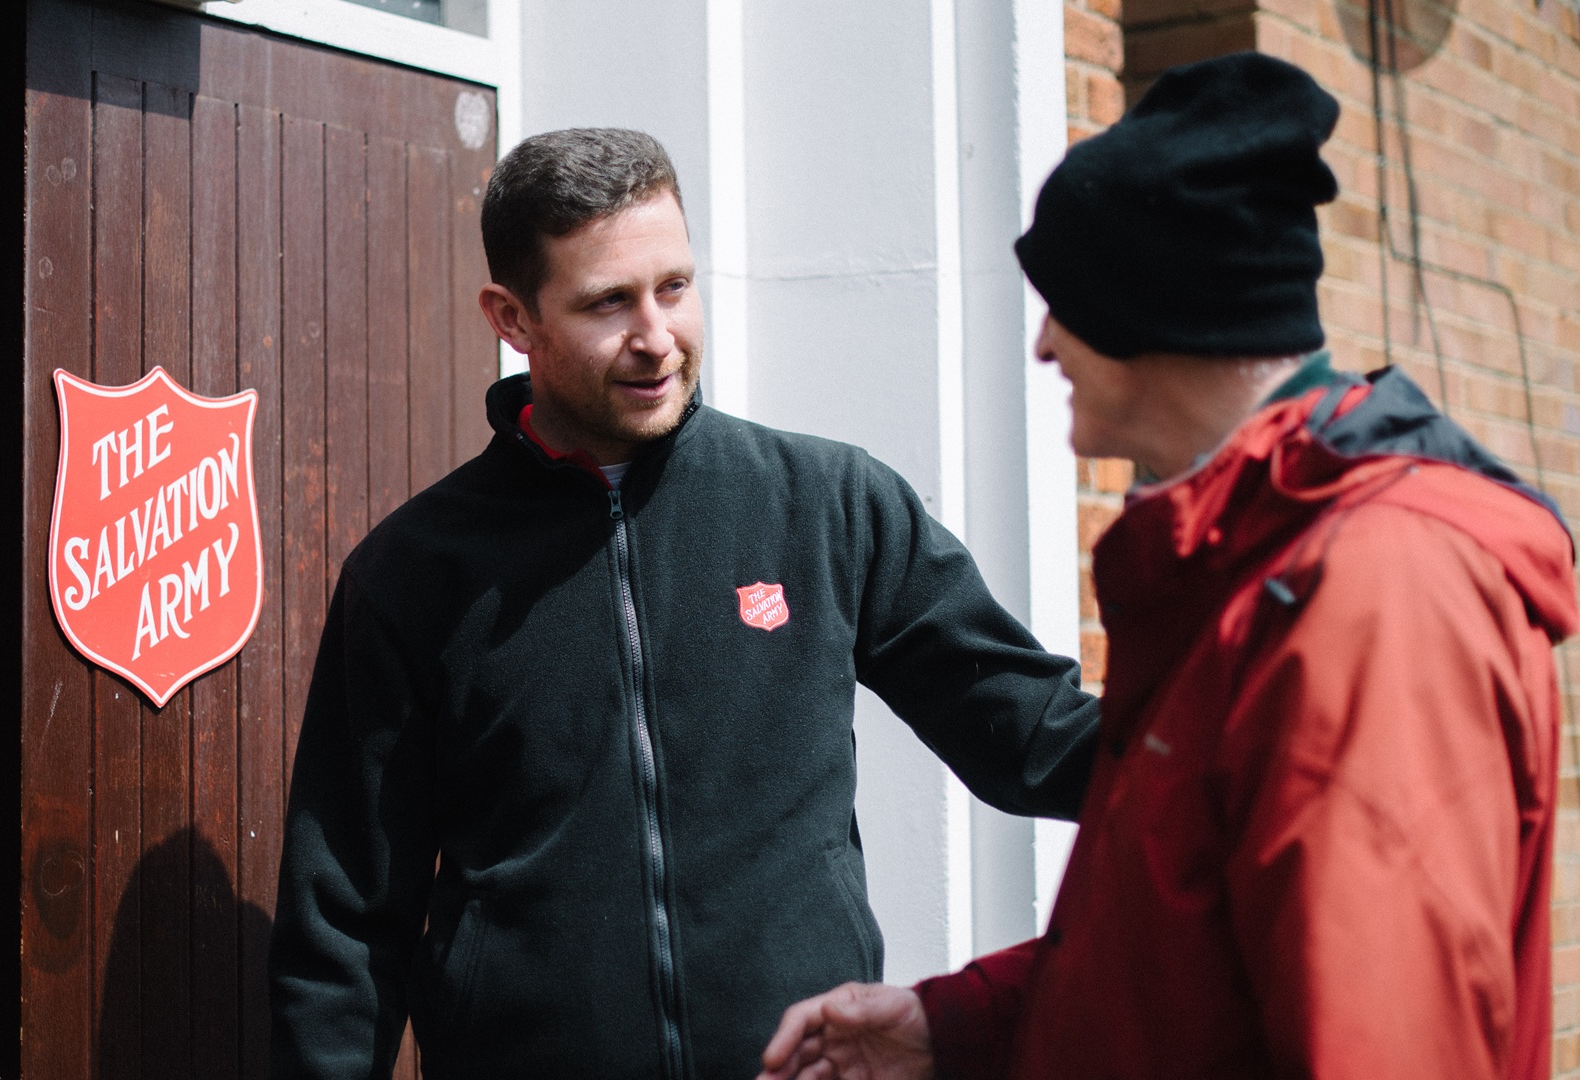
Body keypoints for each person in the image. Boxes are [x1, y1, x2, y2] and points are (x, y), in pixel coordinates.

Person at [756, 52, 1577, 1080]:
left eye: (1066, 304)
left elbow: (1377, 1039)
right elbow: (1188, 957)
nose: (1047, 344)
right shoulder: (1250, 566)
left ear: (1158, 314)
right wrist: (961, 1024)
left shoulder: (1374, 599)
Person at [268, 128, 1100, 1080]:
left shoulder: (829, 504)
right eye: (608, 303)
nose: (657, 336)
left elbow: (1032, 734)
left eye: (674, 286)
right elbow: (344, 924)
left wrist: (1244, 755)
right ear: (512, 317)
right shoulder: (413, 573)